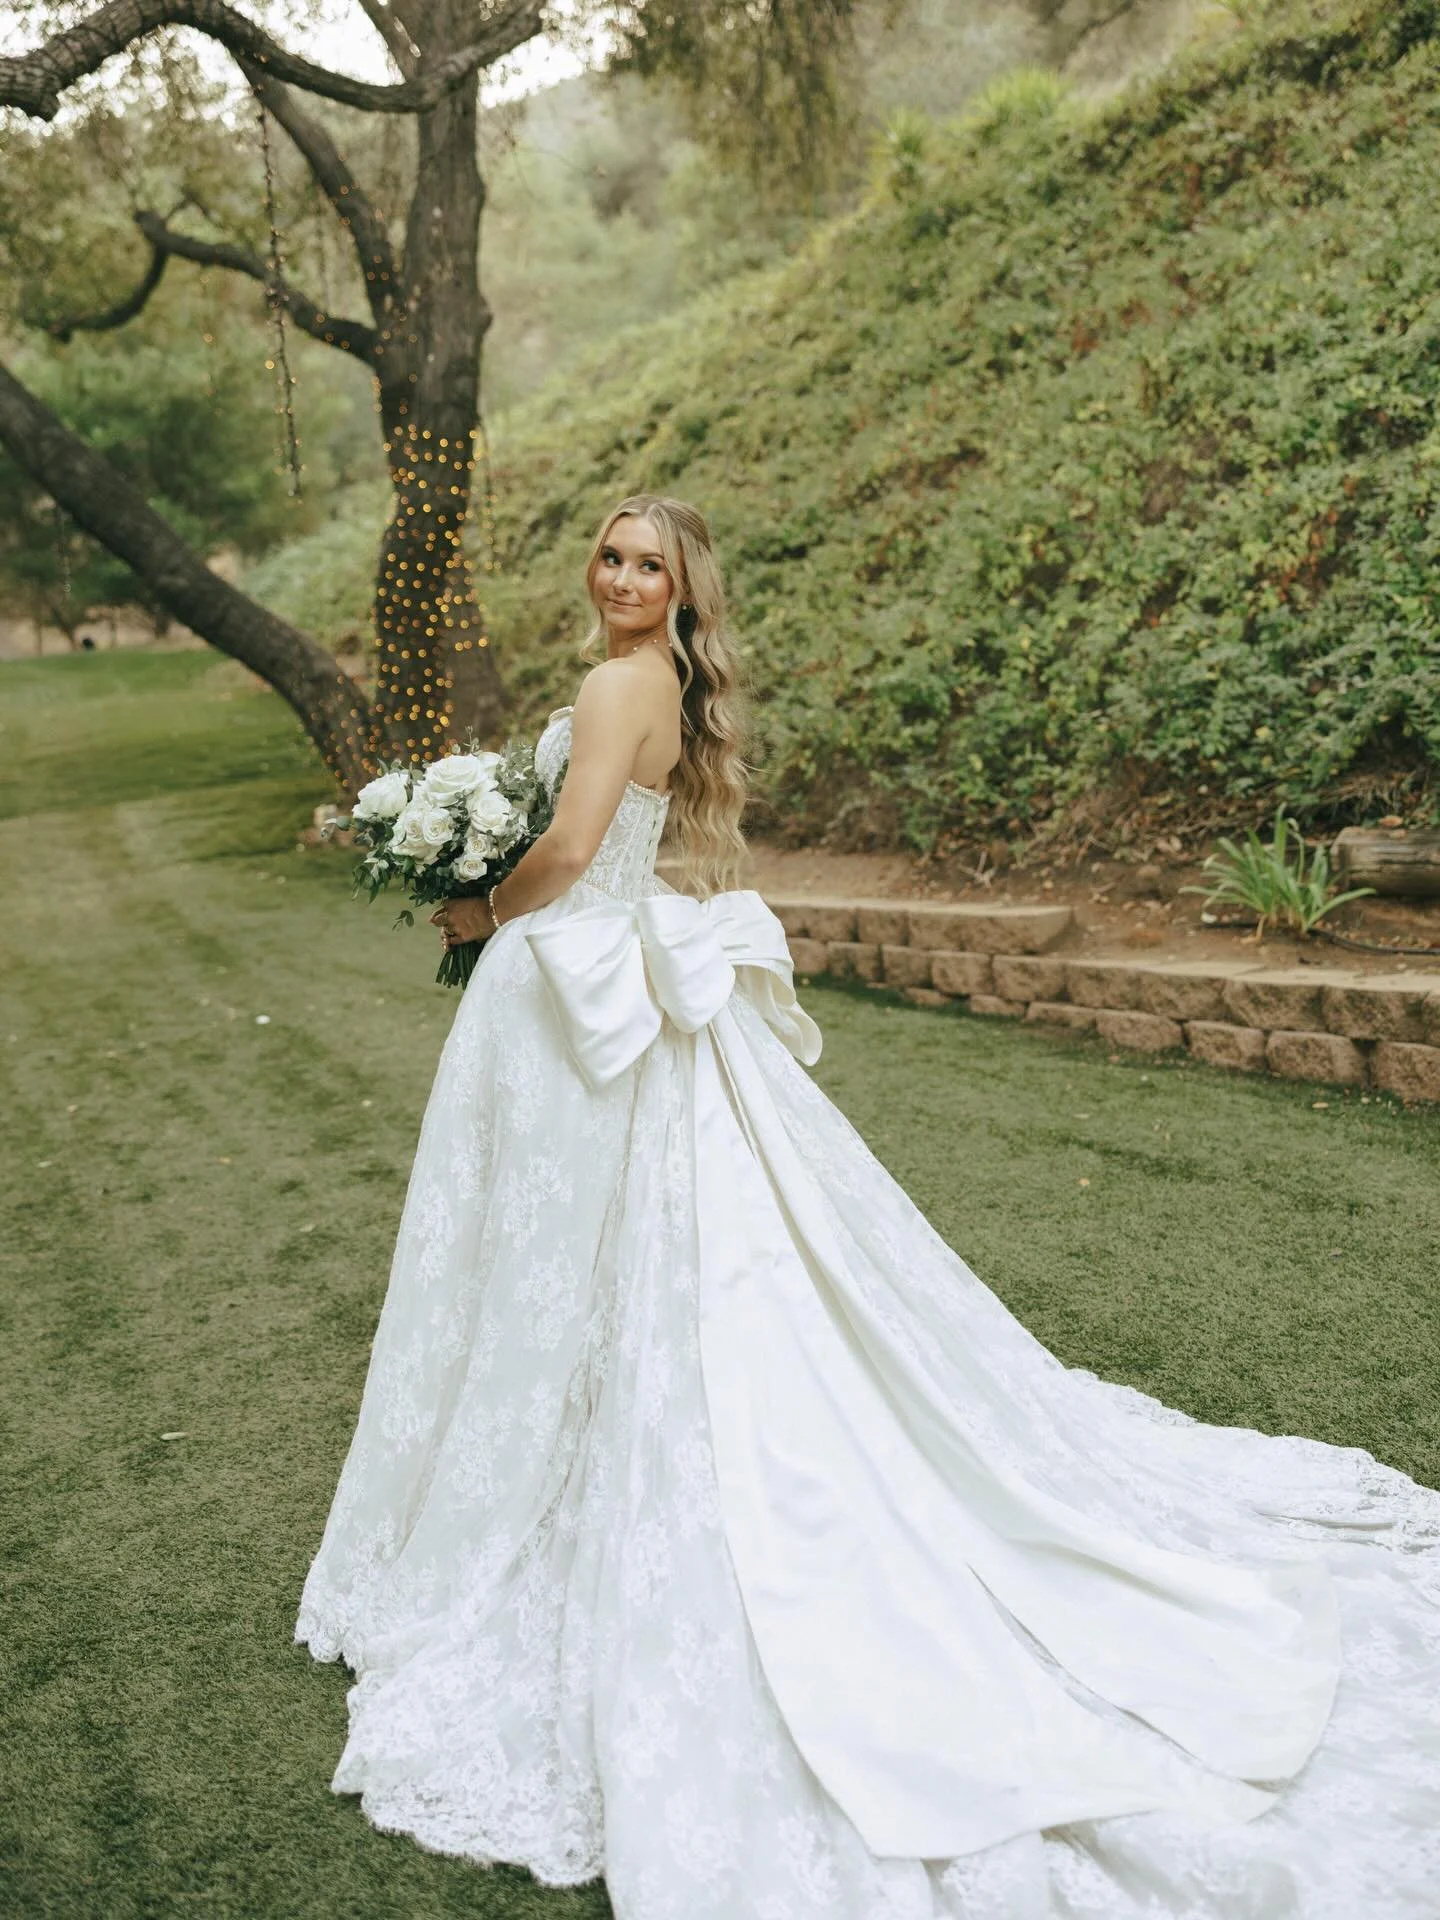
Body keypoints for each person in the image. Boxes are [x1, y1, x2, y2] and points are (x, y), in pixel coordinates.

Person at [298, 494, 1440, 1919]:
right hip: (620, 988)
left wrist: (477, 909)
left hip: (577, 983)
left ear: (683, 587)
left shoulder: (611, 683)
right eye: (612, 554)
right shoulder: (652, 684)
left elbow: (580, 849)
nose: (626, 575)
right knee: (594, 1256)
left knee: (578, 1257)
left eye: (652, 563)